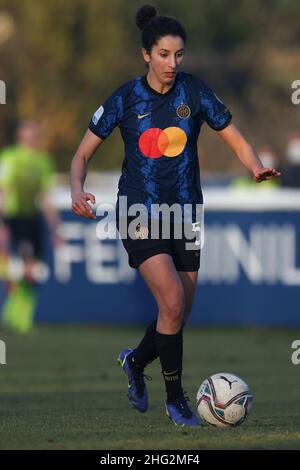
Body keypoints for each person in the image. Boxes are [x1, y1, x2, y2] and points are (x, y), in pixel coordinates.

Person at [70, 5, 281, 427]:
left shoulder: (195, 92)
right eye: (164, 54)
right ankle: (176, 400)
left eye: (179, 55)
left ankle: (135, 361)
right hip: (139, 211)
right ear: (146, 54)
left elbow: (236, 139)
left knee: (178, 315)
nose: (172, 63)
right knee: (170, 300)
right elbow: (81, 154)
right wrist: (77, 189)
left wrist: (255, 165)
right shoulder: (126, 98)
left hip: (186, 213)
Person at [0, 120, 61, 334]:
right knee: (14, 265)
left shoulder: (43, 162)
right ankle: (16, 309)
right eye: (29, 135)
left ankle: (23, 310)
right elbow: (3, 191)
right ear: (21, 137)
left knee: (33, 268)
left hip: (32, 219)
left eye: (35, 135)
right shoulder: (11, 157)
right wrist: (2, 223)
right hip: (13, 217)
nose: (32, 139)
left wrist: (55, 228)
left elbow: (45, 198)